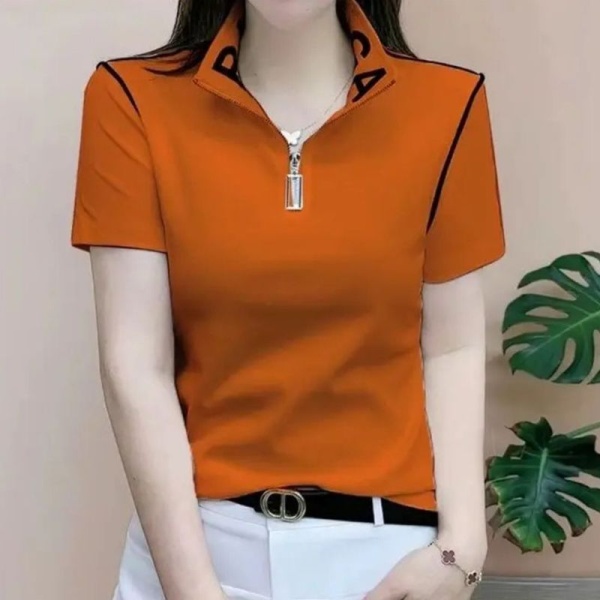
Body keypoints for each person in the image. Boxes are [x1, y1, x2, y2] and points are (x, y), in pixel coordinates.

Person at [70, 0, 506, 598]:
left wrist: (462, 552)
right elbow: (134, 368)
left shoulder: (448, 106)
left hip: (386, 560)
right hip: (197, 553)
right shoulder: (130, 100)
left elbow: (452, 347)